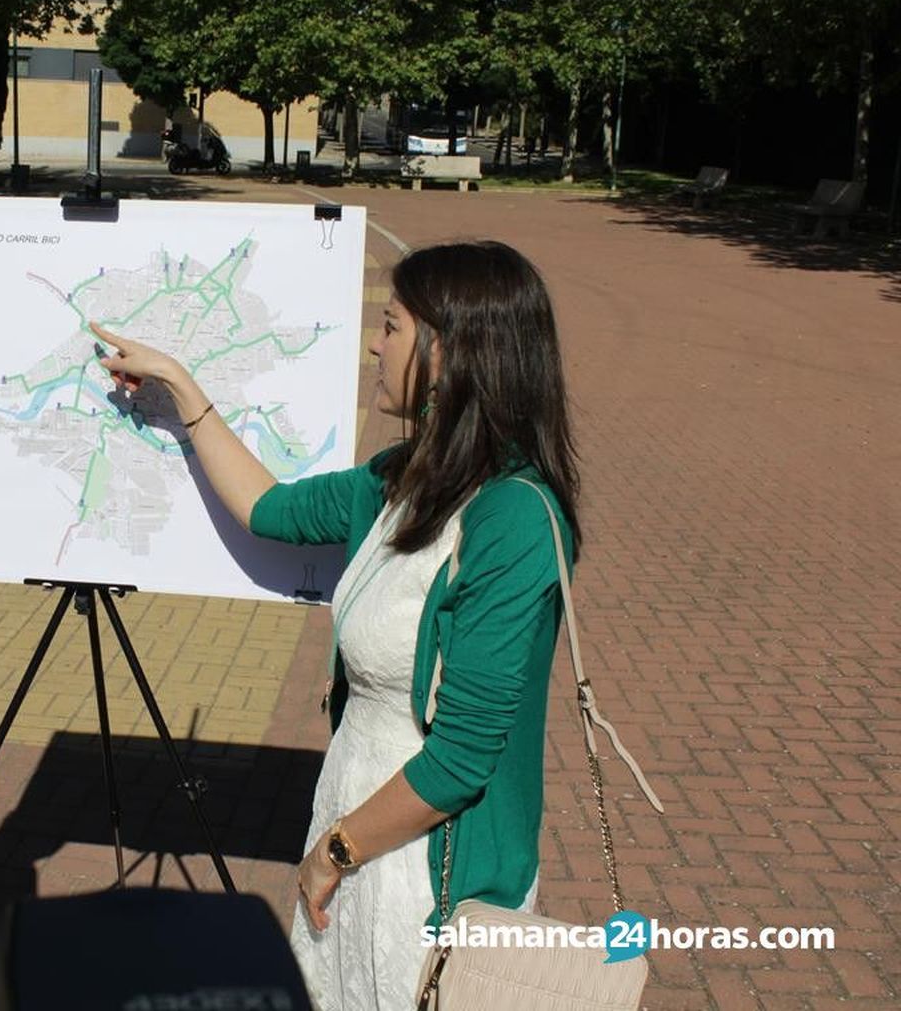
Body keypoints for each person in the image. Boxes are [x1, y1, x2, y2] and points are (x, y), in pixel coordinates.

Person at [91, 240, 579, 1010]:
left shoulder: (513, 519)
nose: (374, 347)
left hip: (432, 873)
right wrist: (181, 385)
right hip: (357, 835)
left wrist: (337, 850)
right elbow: (269, 508)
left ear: (448, 352)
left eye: (391, 325)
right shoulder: (400, 480)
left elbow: (462, 757)